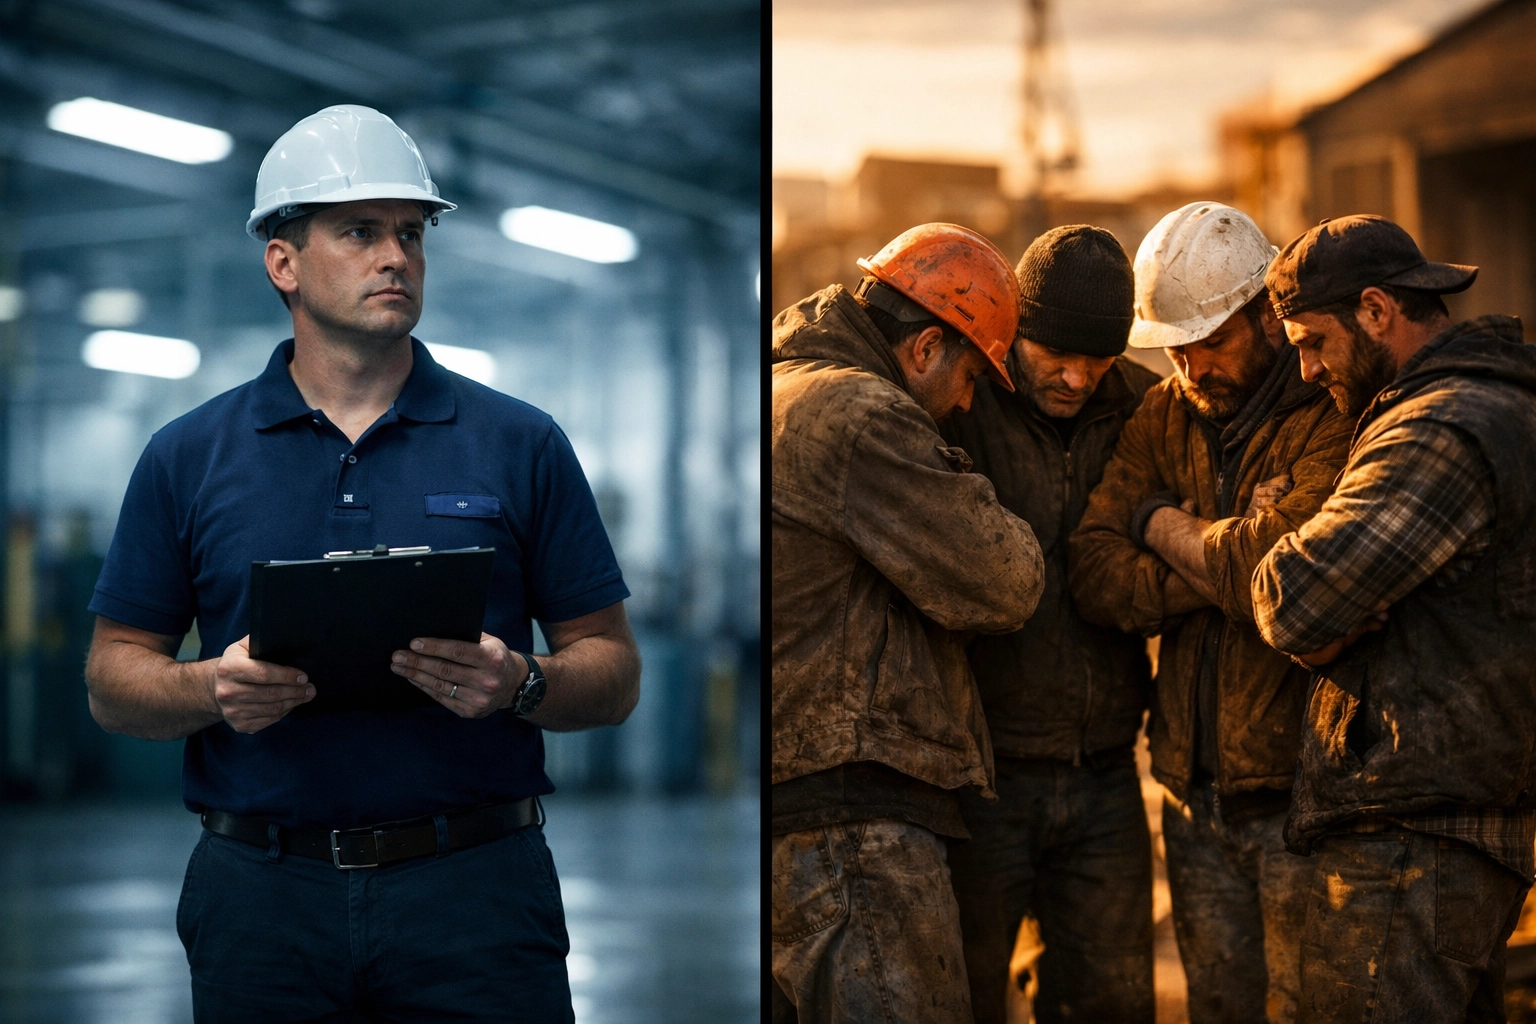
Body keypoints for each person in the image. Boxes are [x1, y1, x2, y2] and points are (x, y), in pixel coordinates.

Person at [82, 105, 639, 1023]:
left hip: (478, 898)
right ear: (284, 263)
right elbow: (112, 681)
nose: (396, 258)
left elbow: (613, 671)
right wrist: (212, 687)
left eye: (411, 234)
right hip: (262, 902)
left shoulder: (521, 444)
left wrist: (521, 682)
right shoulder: (187, 456)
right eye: (360, 232)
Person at [1070, 202, 1353, 1023]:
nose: (1193, 369)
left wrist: (1158, 524)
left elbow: (1294, 579)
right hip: (1191, 799)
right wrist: (1228, 560)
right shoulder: (1164, 413)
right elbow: (1093, 571)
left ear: (1268, 314)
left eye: (1212, 342)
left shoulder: (1328, 413)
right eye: (1176, 350)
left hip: (1305, 803)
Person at [1252, 215, 1535, 1023]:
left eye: (1313, 342)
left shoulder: (1439, 428)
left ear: (1377, 311)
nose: (1306, 370)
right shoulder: (1500, 404)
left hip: (1412, 839)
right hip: (1459, 830)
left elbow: (1290, 600)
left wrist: (1315, 610)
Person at [770, 222, 1046, 1024]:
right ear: (926, 347)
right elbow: (1008, 580)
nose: (967, 403)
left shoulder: (783, 387)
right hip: (850, 821)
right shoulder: (860, 414)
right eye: (971, 376)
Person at [938, 224, 1161, 1024]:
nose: (1076, 378)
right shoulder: (961, 401)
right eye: (1055, 355)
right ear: (1013, 330)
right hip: (979, 777)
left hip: (1105, 773)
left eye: (1097, 360)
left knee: (1113, 1003)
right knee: (962, 996)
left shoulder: (1143, 407)